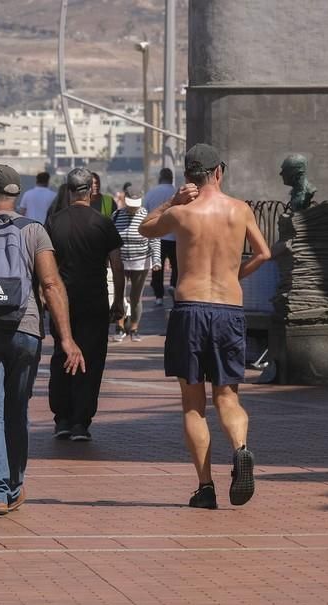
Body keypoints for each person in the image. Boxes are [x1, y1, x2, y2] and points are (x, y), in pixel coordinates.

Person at [0, 164, 85, 517]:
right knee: (16, 411)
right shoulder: (34, 232)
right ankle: (14, 487)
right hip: (25, 330)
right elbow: (51, 285)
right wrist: (66, 338)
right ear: (15, 194)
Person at [139, 143, 271, 509]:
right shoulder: (240, 210)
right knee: (228, 395)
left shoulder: (183, 214)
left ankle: (205, 486)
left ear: (188, 178)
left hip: (191, 309)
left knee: (193, 403)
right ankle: (241, 448)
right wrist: (235, 275)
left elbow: (145, 229)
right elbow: (264, 253)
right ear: (218, 172)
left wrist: (171, 202)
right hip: (229, 308)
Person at [46, 168, 125, 442]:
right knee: (90, 360)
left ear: (68, 191)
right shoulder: (103, 223)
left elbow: (45, 267)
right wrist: (119, 301)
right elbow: (117, 265)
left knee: (61, 355)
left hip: (62, 302)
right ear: (91, 191)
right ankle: (81, 422)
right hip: (95, 301)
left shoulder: (54, 223)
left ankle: (62, 419)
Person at [111, 188, 161, 342]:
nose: (133, 208)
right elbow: (111, 237)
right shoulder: (117, 215)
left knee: (135, 297)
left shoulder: (146, 216)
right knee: (119, 295)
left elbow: (154, 239)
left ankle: (134, 327)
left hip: (141, 262)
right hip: (120, 262)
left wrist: (157, 260)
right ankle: (119, 326)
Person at [146, 168, 178, 306]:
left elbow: (144, 213)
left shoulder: (151, 193)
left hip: (157, 236)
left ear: (160, 178)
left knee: (157, 267)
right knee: (177, 265)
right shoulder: (176, 192)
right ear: (171, 178)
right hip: (175, 236)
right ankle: (173, 285)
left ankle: (158, 296)